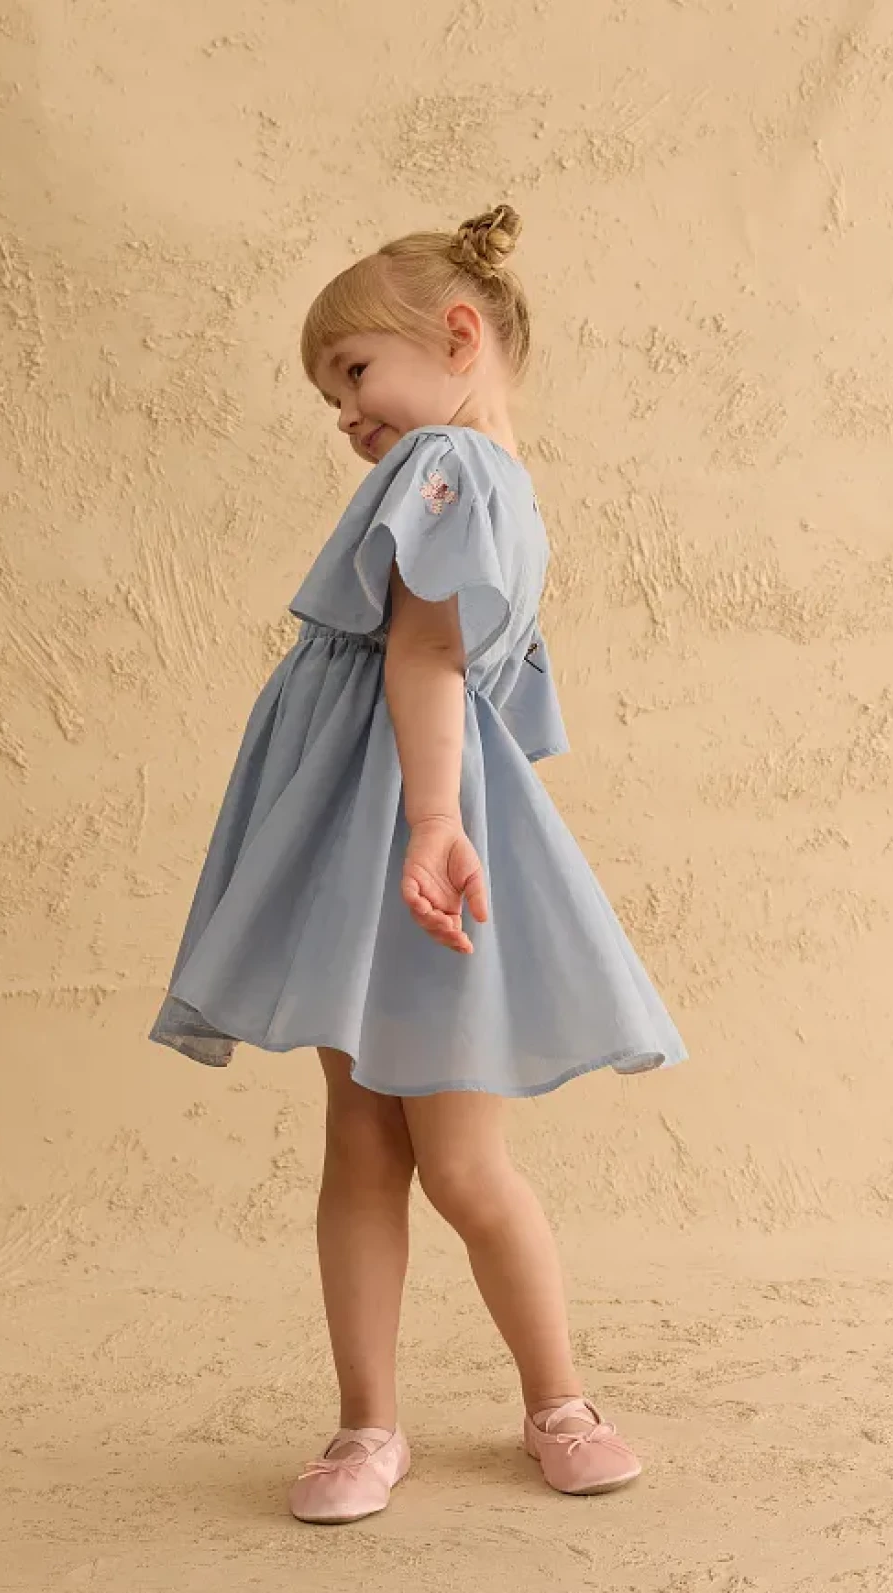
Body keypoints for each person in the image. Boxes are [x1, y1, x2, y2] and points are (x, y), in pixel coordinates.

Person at [149, 204, 688, 1523]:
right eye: (331, 396)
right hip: (369, 835)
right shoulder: (481, 478)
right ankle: (369, 1423)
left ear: (456, 337)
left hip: (413, 840)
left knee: (455, 1157)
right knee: (363, 1135)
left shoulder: (452, 464)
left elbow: (437, 654)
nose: (346, 416)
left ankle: (554, 1399)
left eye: (353, 373)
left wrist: (441, 824)